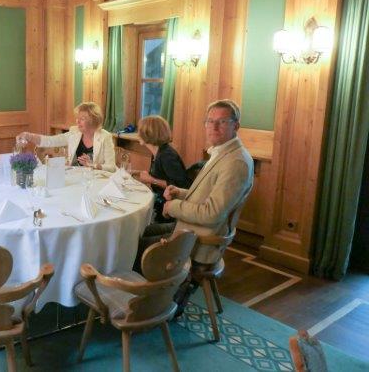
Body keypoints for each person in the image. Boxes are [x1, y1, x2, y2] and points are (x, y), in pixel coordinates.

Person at [136, 99, 254, 314]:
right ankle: (158, 295)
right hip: (191, 228)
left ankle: (153, 305)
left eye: (222, 122)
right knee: (141, 231)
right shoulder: (222, 152)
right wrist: (180, 193)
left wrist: (172, 206)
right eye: (210, 121)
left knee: (137, 247)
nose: (214, 126)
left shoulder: (235, 162)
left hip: (201, 239)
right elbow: (206, 196)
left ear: (235, 126)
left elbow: (211, 214)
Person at [16, 102, 117, 172]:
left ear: (93, 120)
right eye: (77, 118)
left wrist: (93, 165)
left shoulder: (105, 137)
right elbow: (51, 141)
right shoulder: (74, 132)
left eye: (82, 119)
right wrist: (28, 136)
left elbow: (112, 167)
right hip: (74, 177)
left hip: (94, 181)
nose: (77, 121)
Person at [135, 115, 191, 222]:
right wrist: (134, 172)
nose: (137, 135)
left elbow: (180, 185)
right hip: (160, 201)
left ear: (149, 134)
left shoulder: (167, 155)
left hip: (168, 210)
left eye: (139, 132)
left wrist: (150, 180)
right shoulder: (157, 152)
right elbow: (161, 175)